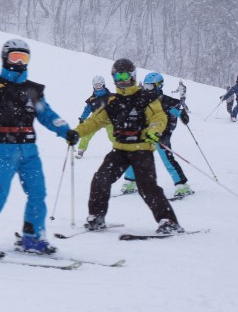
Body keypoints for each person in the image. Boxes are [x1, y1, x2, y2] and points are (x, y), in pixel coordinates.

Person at [0, 39, 78, 259]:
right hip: (3, 148)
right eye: (15, 57)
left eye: (24, 58)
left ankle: (32, 237)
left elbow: (47, 115)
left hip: (29, 149)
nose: (19, 62)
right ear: (5, 58)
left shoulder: (33, 91)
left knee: (38, 193)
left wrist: (66, 131)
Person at [70, 59, 184, 235]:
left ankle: (168, 221)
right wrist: (77, 132)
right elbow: (94, 121)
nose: (122, 79)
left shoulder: (145, 98)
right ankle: (96, 217)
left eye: (125, 76)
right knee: (100, 179)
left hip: (142, 150)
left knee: (147, 187)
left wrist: (155, 131)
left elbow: (159, 118)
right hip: (120, 150)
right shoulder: (112, 101)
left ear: (133, 76)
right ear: (114, 78)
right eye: (118, 76)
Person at [119, 73, 193, 199]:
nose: (147, 89)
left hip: (161, 134)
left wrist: (183, 115)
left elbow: (176, 110)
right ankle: (130, 182)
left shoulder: (164, 100)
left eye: (150, 86)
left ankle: (182, 185)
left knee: (167, 159)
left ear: (158, 86)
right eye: (146, 86)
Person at [75, 75, 114, 159]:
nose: (98, 87)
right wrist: (82, 118)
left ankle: (120, 150)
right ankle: (81, 150)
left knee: (113, 135)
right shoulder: (92, 99)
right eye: (96, 86)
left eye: (99, 85)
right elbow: (87, 109)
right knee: (87, 133)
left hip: (108, 120)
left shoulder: (110, 97)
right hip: (96, 120)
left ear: (103, 85)